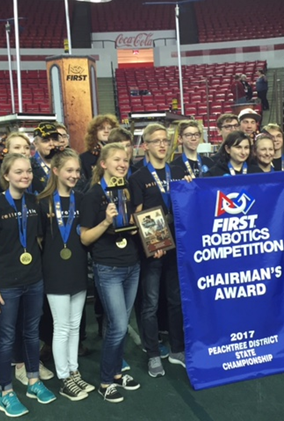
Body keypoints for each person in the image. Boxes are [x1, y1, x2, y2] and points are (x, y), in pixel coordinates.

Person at [0, 154, 56, 417]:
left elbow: (36, 240)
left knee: (31, 333)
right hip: (6, 285)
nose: (25, 176)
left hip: (33, 281)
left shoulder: (34, 203)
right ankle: (6, 392)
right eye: (19, 172)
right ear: (6, 176)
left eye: (28, 172)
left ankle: (33, 381)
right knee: (5, 339)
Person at [81, 143, 141, 402]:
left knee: (121, 324)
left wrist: (141, 227)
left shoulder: (130, 189)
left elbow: (136, 223)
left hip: (132, 264)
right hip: (108, 267)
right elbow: (84, 238)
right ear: (103, 164)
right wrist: (106, 221)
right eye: (116, 159)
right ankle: (106, 380)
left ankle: (117, 373)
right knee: (117, 325)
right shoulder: (93, 195)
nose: (122, 163)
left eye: (125, 159)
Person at [128, 123, 190, 378]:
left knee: (176, 300)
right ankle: (153, 353)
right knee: (151, 303)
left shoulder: (177, 170)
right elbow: (138, 214)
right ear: (146, 146)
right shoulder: (138, 177)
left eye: (165, 140)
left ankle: (177, 349)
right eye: (156, 141)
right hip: (153, 249)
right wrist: (154, 244)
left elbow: (188, 202)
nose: (163, 145)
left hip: (178, 247)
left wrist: (190, 186)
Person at [37, 149, 94, 402]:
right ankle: (63, 378)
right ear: (56, 170)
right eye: (69, 170)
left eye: (77, 171)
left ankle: (73, 370)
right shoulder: (41, 202)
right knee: (61, 327)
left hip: (78, 267)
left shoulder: (80, 199)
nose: (74, 175)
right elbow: (39, 239)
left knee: (74, 324)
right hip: (55, 270)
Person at [79, 114, 119, 180]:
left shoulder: (120, 154)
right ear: (94, 132)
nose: (106, 131)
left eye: (110, 128)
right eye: (101, 128)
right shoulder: (84, 158)